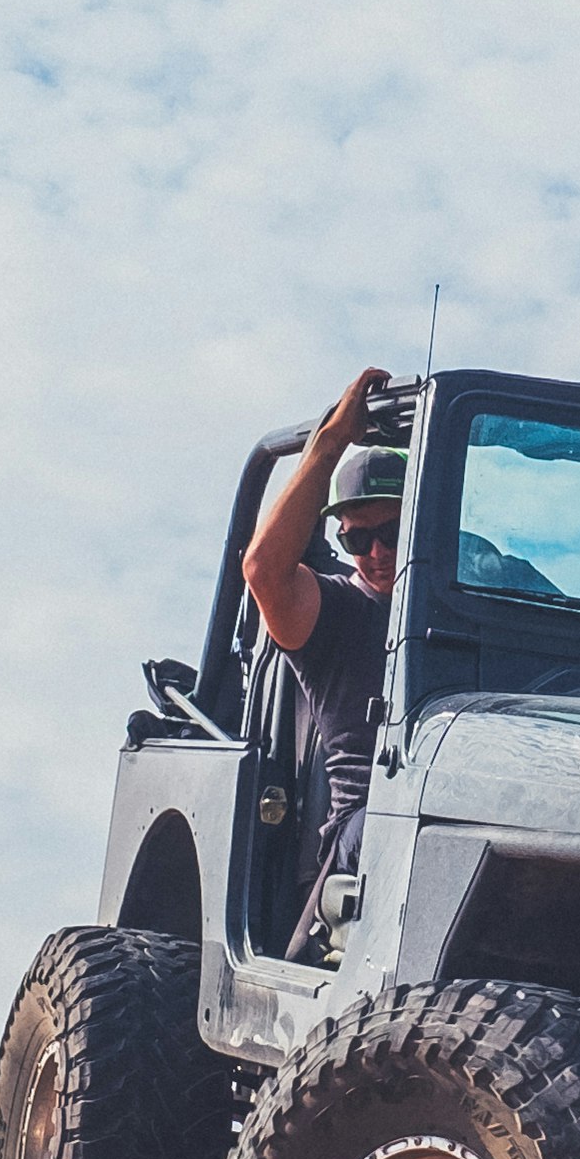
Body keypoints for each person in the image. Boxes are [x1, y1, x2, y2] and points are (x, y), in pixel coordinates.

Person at [242, 365, 400, 953]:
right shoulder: (332, 612)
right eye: (358, 540)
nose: (377, 553)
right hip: (370, 828)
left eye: (392, 533)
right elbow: (264, 570)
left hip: (475, 804)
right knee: (398, 830)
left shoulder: (474, 599)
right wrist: (331, 442)